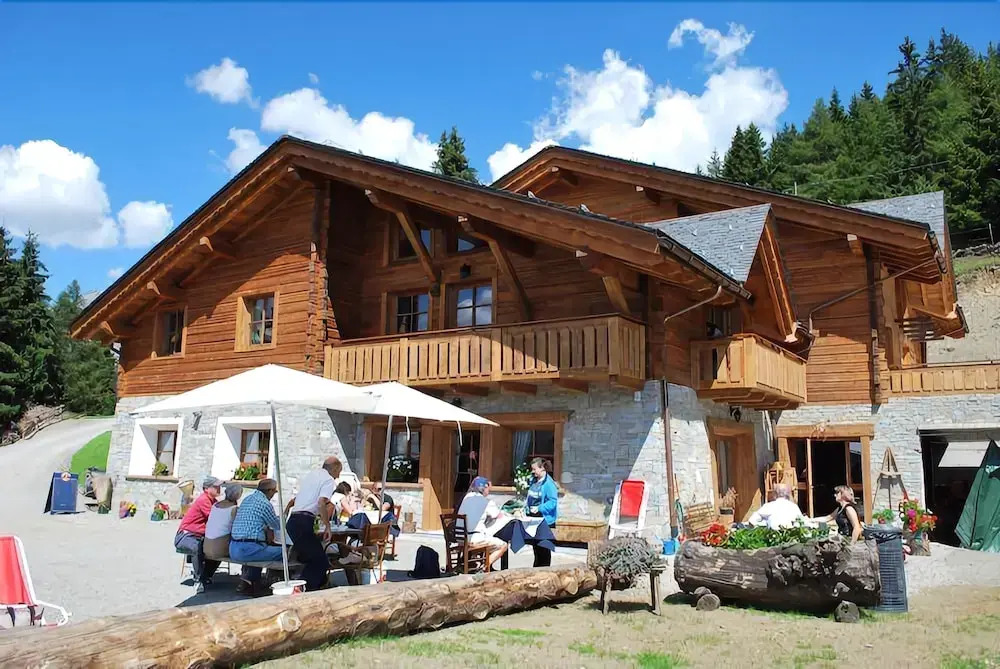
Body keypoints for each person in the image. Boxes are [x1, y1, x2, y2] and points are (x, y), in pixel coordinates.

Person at [286, 456, 341, 590]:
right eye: (338, 472)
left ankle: (319, 585)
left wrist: (286, 511)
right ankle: (302, 588)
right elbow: (321, 502)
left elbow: (296, 499)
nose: (338, 476)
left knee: (310, 556)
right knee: (320, 560)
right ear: (334, 469)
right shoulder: (328, 480)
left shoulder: (311, 476)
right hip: (303, 521)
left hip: (294, 520)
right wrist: (327, 526)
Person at [230, 478, 283, 594]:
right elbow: (277, 525)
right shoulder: (264, 503)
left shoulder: (247, 499)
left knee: (260, 547)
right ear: (270, 491)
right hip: (247, 549)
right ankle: (276, 581)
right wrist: (287, 509)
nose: (274, 494)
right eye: (274, 491)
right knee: (284, 552)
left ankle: (249, 581)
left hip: (233, 548)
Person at [174, 476, 223, 593]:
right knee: (196, 547)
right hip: (186, 535)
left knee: (219, 549)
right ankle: (198, 580)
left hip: (199, 536)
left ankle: (206, 576)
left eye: (219, 486)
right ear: (207, 488)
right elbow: (215, 518)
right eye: (216, 486)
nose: (219, 488)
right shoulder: (204, 500)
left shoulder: (214, 501)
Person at [457, 476, 508, 567]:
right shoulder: (486, 502)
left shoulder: (466, 497)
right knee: (503, 545)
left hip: (460, 538)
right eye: (488, 489)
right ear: (485, 488)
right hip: (474, 540)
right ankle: (485, 567)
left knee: (483, 534)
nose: (489, 492)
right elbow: (498, 515)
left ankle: (473, 564)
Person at [526, 458, 558, 567]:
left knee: (544, 548)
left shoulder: (549, 484)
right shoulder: (533, 481)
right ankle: (536, 569)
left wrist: (540, 508)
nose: (533, 471)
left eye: (534, 469)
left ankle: (545, 571)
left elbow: (553, 502)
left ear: (542, 468)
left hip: (545, 520)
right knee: (536, 547)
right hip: (534, 519)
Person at [204, 484, 243, 561]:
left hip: (207, 546)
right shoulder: (234, 509)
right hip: (220, 549)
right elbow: (238, 530)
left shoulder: (215, 505)